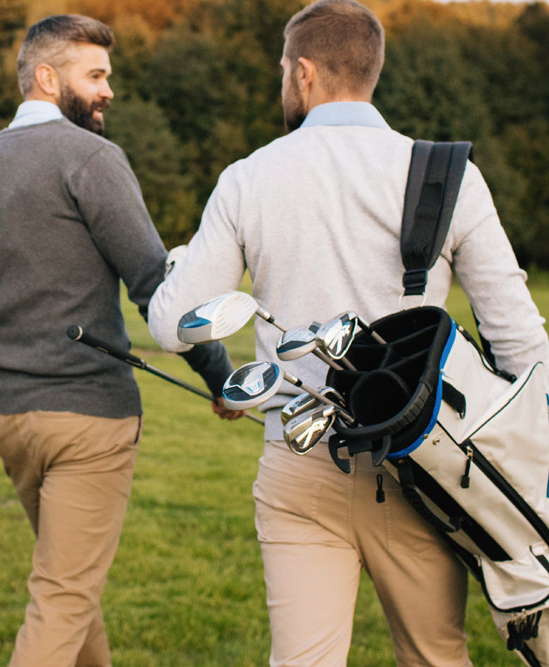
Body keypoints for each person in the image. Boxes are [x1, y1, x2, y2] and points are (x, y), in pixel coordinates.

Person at [147, 0, 549, 664]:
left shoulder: (249, 178)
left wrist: (185, 261)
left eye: (283, 69)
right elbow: (522, 344)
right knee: (435, 657)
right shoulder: (449, 177)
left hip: (300, 466)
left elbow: (171, 325)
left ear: (302, 73)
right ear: (373, 71)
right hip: (429, 469)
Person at [0, 14, 234, 666]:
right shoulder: (93, 159)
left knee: (71, 587)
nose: (108, 89)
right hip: (89, 419)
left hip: (8, 418)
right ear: (45, 76)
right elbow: (156, 289)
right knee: (63, 594)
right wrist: (222, 377)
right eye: (95, 75)